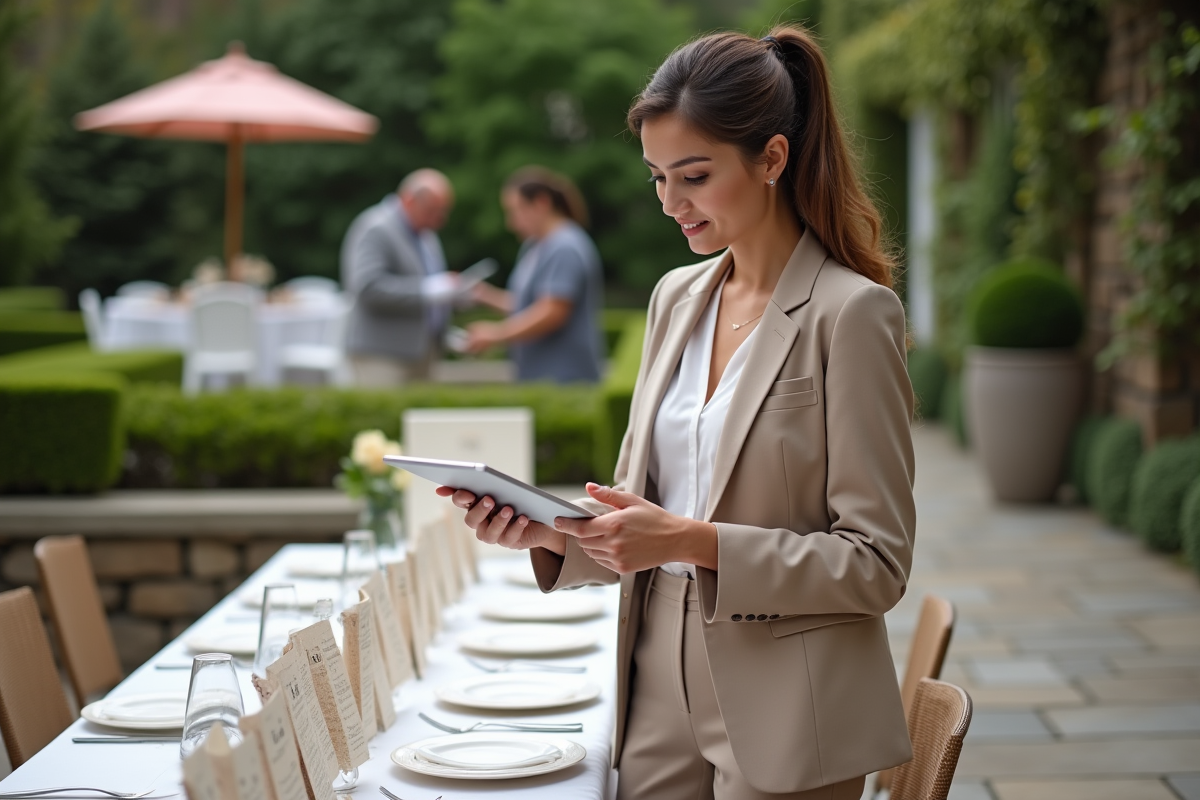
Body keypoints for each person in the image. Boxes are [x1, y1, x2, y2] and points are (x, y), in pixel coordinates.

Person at [439, 24, 916, 800]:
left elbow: (876, 564)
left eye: (692, 175)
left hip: (792, 706)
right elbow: (645, 518)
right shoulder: (675, 299)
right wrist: (552, 533)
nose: (670, 203)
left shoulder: (853, 313)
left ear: (771, 158)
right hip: (654, 677)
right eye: (657, 177)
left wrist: (692, 541)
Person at [466, 166, 605, 383]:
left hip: (564, 379)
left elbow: (552, 311)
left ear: (541, 202)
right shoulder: (534, 247)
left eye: (515, 210)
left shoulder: (565, 246)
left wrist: (495, 334)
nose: (510, 223)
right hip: (540, 376)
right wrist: (483, 295)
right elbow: (529, 304)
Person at [340, 169, 458, 386]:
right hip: (381, 355)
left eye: (443, 212)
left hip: (423, 353)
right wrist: (428, 290)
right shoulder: (375, 227)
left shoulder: (425, 235)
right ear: (409, 200)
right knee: (380, 419)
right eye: (433, 210)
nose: (439, 220)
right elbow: (368, 287)